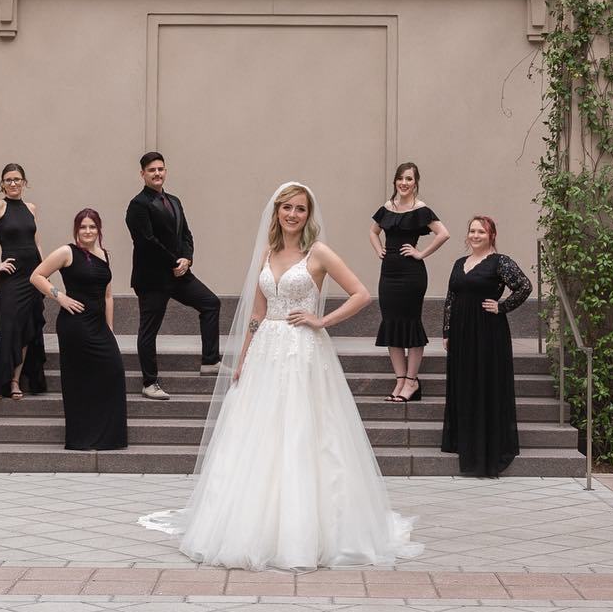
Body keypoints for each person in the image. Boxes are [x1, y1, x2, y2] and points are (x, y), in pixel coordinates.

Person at [140, 182, 423, 570]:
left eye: (300, 209)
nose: (292, 215)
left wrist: (321, 320)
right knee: (258, 435)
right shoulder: (267, 254)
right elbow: (257, 314)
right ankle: (249, 524)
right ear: (276, 212)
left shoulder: (318, 252)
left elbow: (361, 294)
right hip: (265, 353)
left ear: (309, 215)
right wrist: (242, 359)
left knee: (305, 433)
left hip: (304, 351)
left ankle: (307, 530)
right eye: (286, 208)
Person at [125, 152, 222, 400]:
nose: (157, 173)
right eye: (151, 170)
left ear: (165, 171)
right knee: (149, 331)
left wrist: (187, 260)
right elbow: (147, 242)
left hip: (179, 273)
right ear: (142, 174)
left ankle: (210, 362)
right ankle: (149, 383)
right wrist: (174, 262)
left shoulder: (175, 201)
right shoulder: (138, 205)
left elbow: (186, 235)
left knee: (211, 303)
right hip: (153, 279)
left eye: (161, 169)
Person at [441, 216, 532, 477]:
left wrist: (502, 307)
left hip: (488, 331)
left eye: (481, 231)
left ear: (491, 235)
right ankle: (463, 440)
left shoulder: (500, 261)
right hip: (461, 332)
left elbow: (525, 286)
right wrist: (447, 331)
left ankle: (485, 447)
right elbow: (451, 298)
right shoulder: (460, 263)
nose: (475, 235)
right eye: (472, 230)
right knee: (464, 383)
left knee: (484, 383)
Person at [30, 209, 128, 451]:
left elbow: (108, 295)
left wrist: (110, 329)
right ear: (76, 229)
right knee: (79, 379)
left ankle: (109, 437)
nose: (87, 231)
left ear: (99, 229)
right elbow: (36, 276)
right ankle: (82, 438)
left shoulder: (104, 254)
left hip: (98, 325)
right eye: (83, 227)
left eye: (92, 227)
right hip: (75, 325)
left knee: (113, 371)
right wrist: (60, 297)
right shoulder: (67, 252)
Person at [369, 162, 450, 403]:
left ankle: (412, 382)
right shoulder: (387, 207)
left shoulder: (421, 209)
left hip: (411, 275)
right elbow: (373, 231)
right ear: (395, 181)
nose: (404, 183)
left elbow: (443, 233)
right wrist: (378, 249)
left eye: (409, 179)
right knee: (391, 324)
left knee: (411, 324)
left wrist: (421, 253)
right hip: (388, 274)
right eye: (401, 178)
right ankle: (400, 380)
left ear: (416, 183)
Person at [0, 163, 47, 399]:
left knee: (27, 328)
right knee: (10, 326)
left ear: (24, 182)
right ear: (2, 184)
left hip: (33, 274)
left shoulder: (31, 208)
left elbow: (36, 243)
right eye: (8, 180)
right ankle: (2, 381)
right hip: (12, 277)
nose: (13, 183)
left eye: (17, 179)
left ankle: (15, 380)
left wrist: (44, 270)